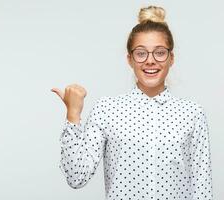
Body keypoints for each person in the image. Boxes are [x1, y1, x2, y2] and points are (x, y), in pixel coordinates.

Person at [51, 5, 213, 200]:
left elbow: (202, 190)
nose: (150, 61)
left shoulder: (192, 114)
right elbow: (76, 177)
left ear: (171, 58)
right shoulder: (107, 110)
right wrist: (73, 115)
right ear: (130, 59)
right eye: (141, 53)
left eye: (160, 52)